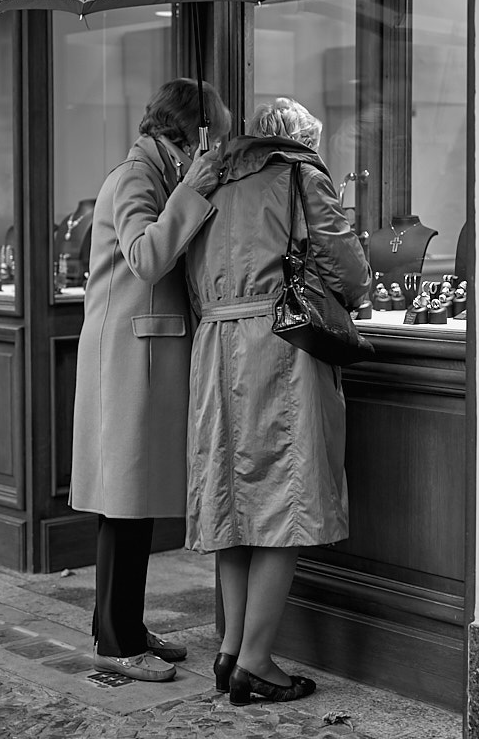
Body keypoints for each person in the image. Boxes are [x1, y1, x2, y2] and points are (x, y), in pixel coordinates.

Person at [184, 96, 372, 704]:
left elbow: (186, 265)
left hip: (215, 341)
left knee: (235, 504)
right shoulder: (300, 173)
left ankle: (231, 650)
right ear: (301, 138)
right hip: (280, 340)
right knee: (283, 505)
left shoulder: (208, 178)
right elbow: (347, 272)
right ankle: (258, 661)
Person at [69, 77, 230, 682]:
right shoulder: (139, 176)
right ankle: (115, 642)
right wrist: (192, 190)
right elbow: (143, 256)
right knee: (123, 503)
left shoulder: (154, 173)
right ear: (189, 130)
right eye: (211, 130)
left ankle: (124, 627)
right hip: (126, 359)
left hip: (141, 355)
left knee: (129, 503)